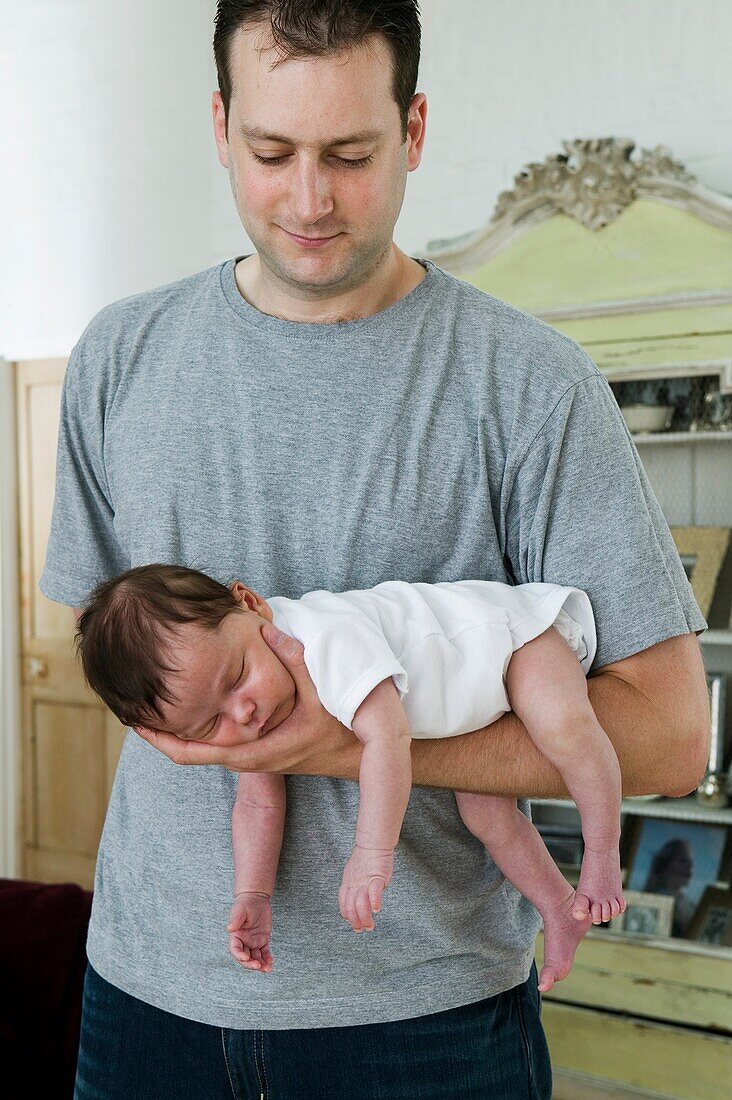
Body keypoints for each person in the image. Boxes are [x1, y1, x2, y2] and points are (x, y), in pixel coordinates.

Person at [39, 2, 710, 1096]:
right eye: (271, 152)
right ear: (219, 126)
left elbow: (673, 736)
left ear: (415, 129)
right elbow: (103, 651)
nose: (309, 199)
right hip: (146, 994)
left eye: (350, 154)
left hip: (424, 1023)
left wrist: (337, 739)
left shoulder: (532, 386)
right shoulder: (120, 355)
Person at [74, 563, 625, 991]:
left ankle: (602, 856)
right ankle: (558, 907)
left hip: (514, 642)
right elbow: (258, 804)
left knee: (567, 732)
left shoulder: (323, 638)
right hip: (474, 708)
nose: (241, 713)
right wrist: (254, 894)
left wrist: (371, 853)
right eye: (209, 723)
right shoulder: (257, 706)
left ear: (251, 606)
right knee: (484, 811)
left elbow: (386, 738)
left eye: (238, 677)